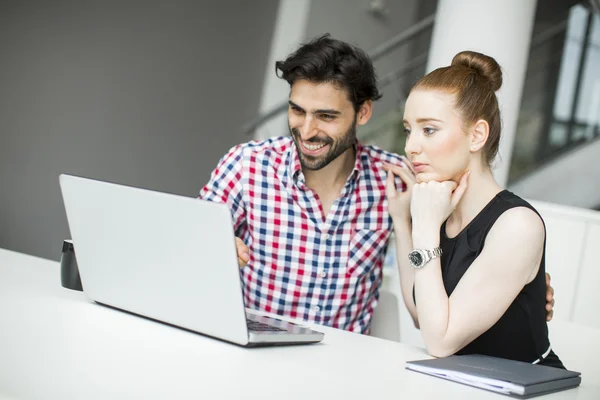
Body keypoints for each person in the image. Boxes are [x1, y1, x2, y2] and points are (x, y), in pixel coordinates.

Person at [199, 34, 555, 334]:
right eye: (297, 111)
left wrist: (520, 286)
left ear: (363, 112)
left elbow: (463, 254)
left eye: (326, 116)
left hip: (345, 370)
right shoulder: (246, 165)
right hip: (252, 350)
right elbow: (181, 247)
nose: (306, 131)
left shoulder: (400, 180)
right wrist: (210, 250)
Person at [384, 50, 564, 367]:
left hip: (521, 388)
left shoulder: (517, 225)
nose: (411, 146)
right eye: (408, 130)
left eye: (428, 129)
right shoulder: (439, 209)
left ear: (477, 135)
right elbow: (420, 316)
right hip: (462, 384)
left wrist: (424, 229)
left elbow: (439, 341)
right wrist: (402, 221)